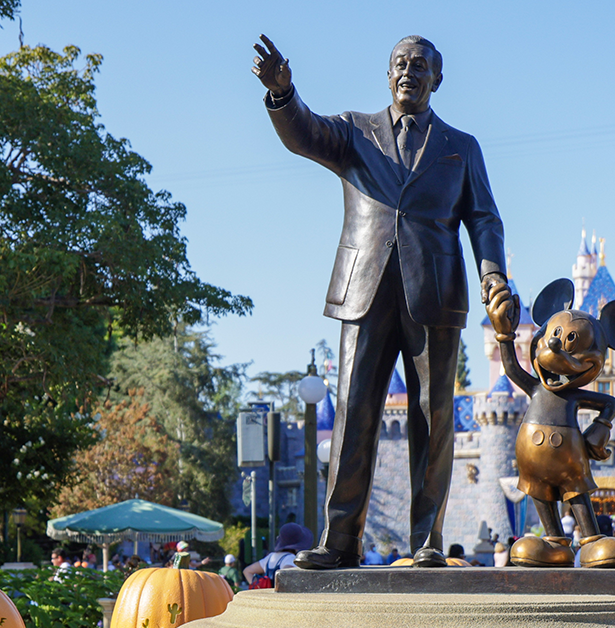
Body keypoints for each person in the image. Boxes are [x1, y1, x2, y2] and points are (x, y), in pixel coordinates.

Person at [252, 33, 509, 571]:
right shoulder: (354, 132)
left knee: (434, 418)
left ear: (437, 78)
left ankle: (427, 542)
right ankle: (339, 540)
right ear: (387, 74)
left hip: (435, 296)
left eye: (419, 65)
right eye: (399, 64)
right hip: (364, 289)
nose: (408, 72)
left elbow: (484, 217)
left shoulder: (461, 146)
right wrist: (284, 95)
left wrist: (493, 277)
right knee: (352, 414)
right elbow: (306, 134)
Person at [243, 523, 313, 586]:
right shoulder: (291, 558)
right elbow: (287, 574)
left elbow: (247, 571)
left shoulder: (271, 557)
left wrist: (258, 586)